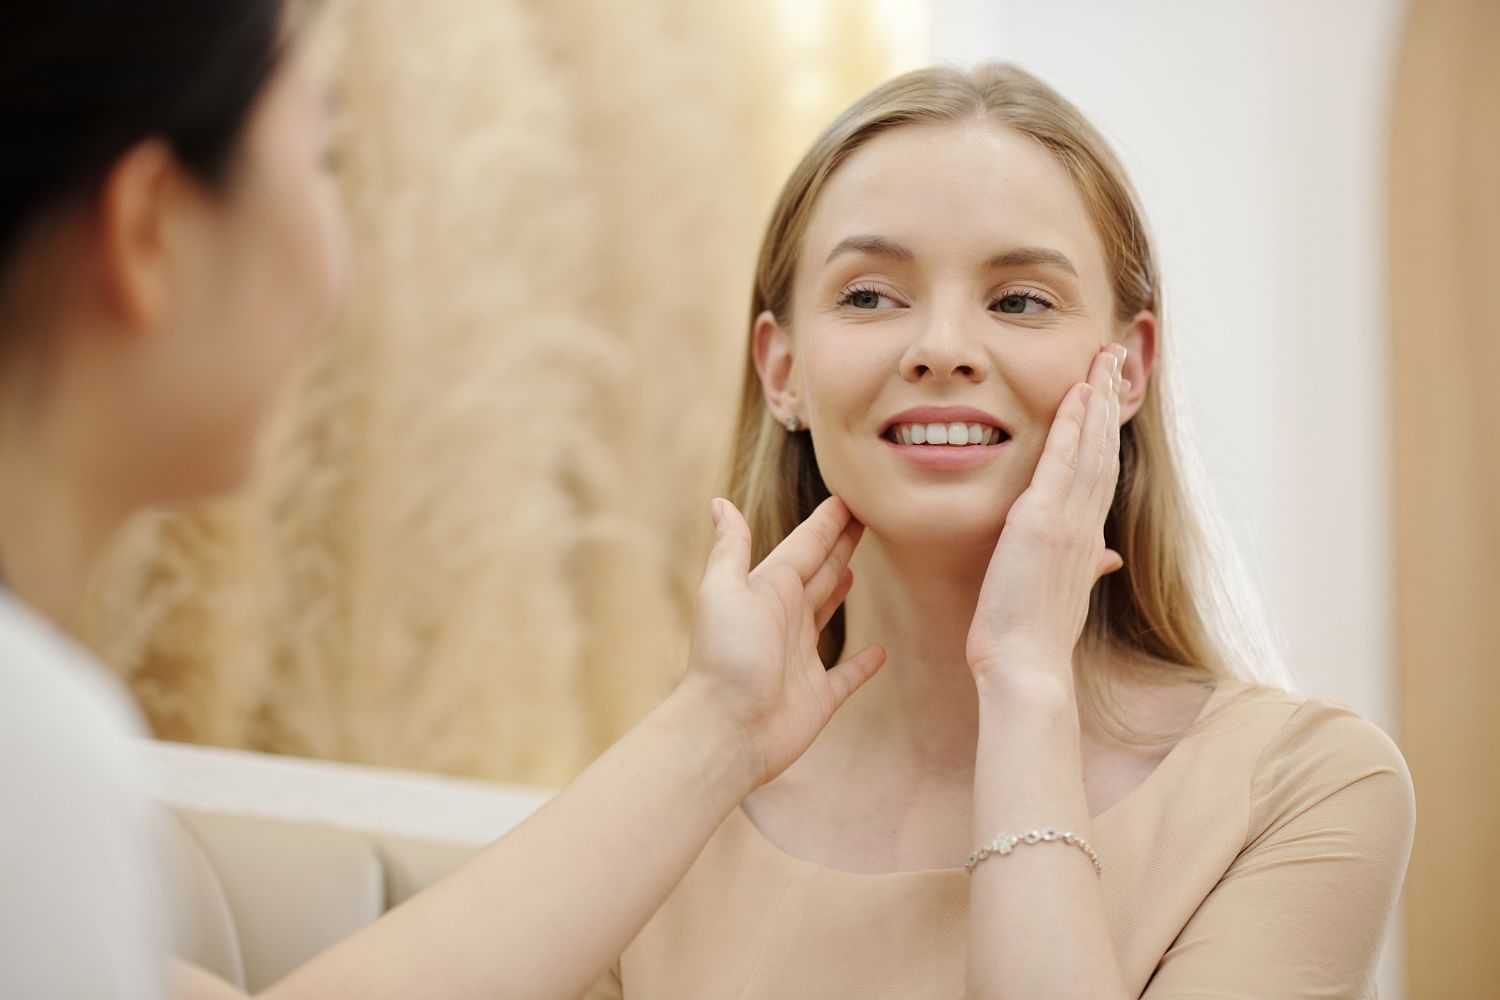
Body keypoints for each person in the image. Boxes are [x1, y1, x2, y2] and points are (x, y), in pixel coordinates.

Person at [0, 3, 884, 998]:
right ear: (150, 229)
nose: (342, 265)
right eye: (324, 157)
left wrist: (724, 718)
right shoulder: (37, 767)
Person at [585, 64, 1416, 998]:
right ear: (783, 372)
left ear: (1130, 368)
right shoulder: (670, 801)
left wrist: (1025, 685)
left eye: (1020, 299)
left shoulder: (1302, 790)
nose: (943, 346)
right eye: (869, 295)